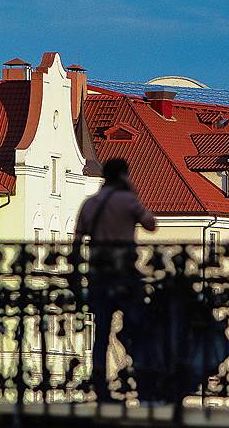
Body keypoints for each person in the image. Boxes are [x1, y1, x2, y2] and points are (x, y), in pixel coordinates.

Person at [73, 158, 156, 402]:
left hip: (98, 274)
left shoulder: (90, 203)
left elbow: (77, 240)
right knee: (136, 326)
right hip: (124, 275)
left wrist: (76, 273)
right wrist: (132, 192)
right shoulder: (127, 200)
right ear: (123, 176)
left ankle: (100, 383)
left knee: (101, 332)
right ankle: (140, 377)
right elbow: (151, 224)